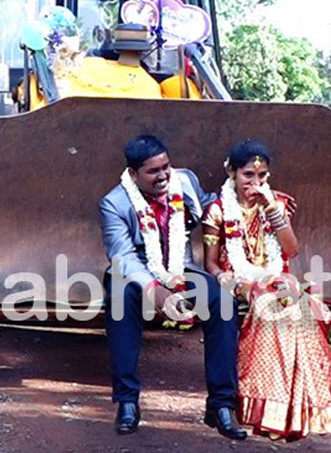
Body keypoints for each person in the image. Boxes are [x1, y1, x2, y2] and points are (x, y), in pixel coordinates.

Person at [99, 134, 247, 440]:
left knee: (222, 301)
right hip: (133, 273)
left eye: (166, 166)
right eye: (153, 171)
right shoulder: (114, 203)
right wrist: (156, 290)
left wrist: (249, 196)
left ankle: (221, 405)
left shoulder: (185, 181)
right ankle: (127, 401)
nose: (164, 175)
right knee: (119, 303)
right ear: (133, 174)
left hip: (182, 270)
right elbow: (123, 257)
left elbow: (211, 207)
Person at [203, 139, 331, 441]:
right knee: (273, 304)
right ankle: (262, 409)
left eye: (262, 176)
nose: (255, 183)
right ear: (232, 173)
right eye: (248, 176)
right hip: (240, 280)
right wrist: (224, 280)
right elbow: (212, 263)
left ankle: (296, 410)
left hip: (277, 278)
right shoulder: (218, 211)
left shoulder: (276, 205)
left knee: (298, 306)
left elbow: (291, 251)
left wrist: (271, 208)